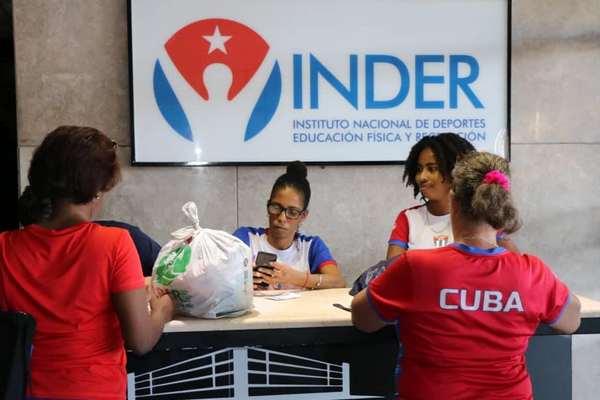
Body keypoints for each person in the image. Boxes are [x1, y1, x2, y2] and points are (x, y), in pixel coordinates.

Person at [352, 151, 581, 400]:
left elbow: (363, 319)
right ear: (501, 206)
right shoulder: (532, 272)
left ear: (454, 202)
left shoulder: (415, 267)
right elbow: (571, 322)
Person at [0, 126, 175, 399]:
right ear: (97, 190)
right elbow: (140, 341)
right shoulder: (114, 243)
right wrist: (164, 308)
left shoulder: (4, 247)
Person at [386, 133, 518, 260]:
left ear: (455, 171)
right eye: (419, 169)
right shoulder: (409, 218)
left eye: (432, 169)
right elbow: (391, 271)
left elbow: (515, 265)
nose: (422, 177)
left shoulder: (482, 215)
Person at [233, 161, 345, 290]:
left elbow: (339, 282)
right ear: (268, 206)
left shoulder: (311, 246)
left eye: (292, 212)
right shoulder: (246, 238)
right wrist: (242, 278)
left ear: (303, 216)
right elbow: (220, 276)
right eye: (276, 207)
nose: (281, 218)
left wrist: (293, 277)